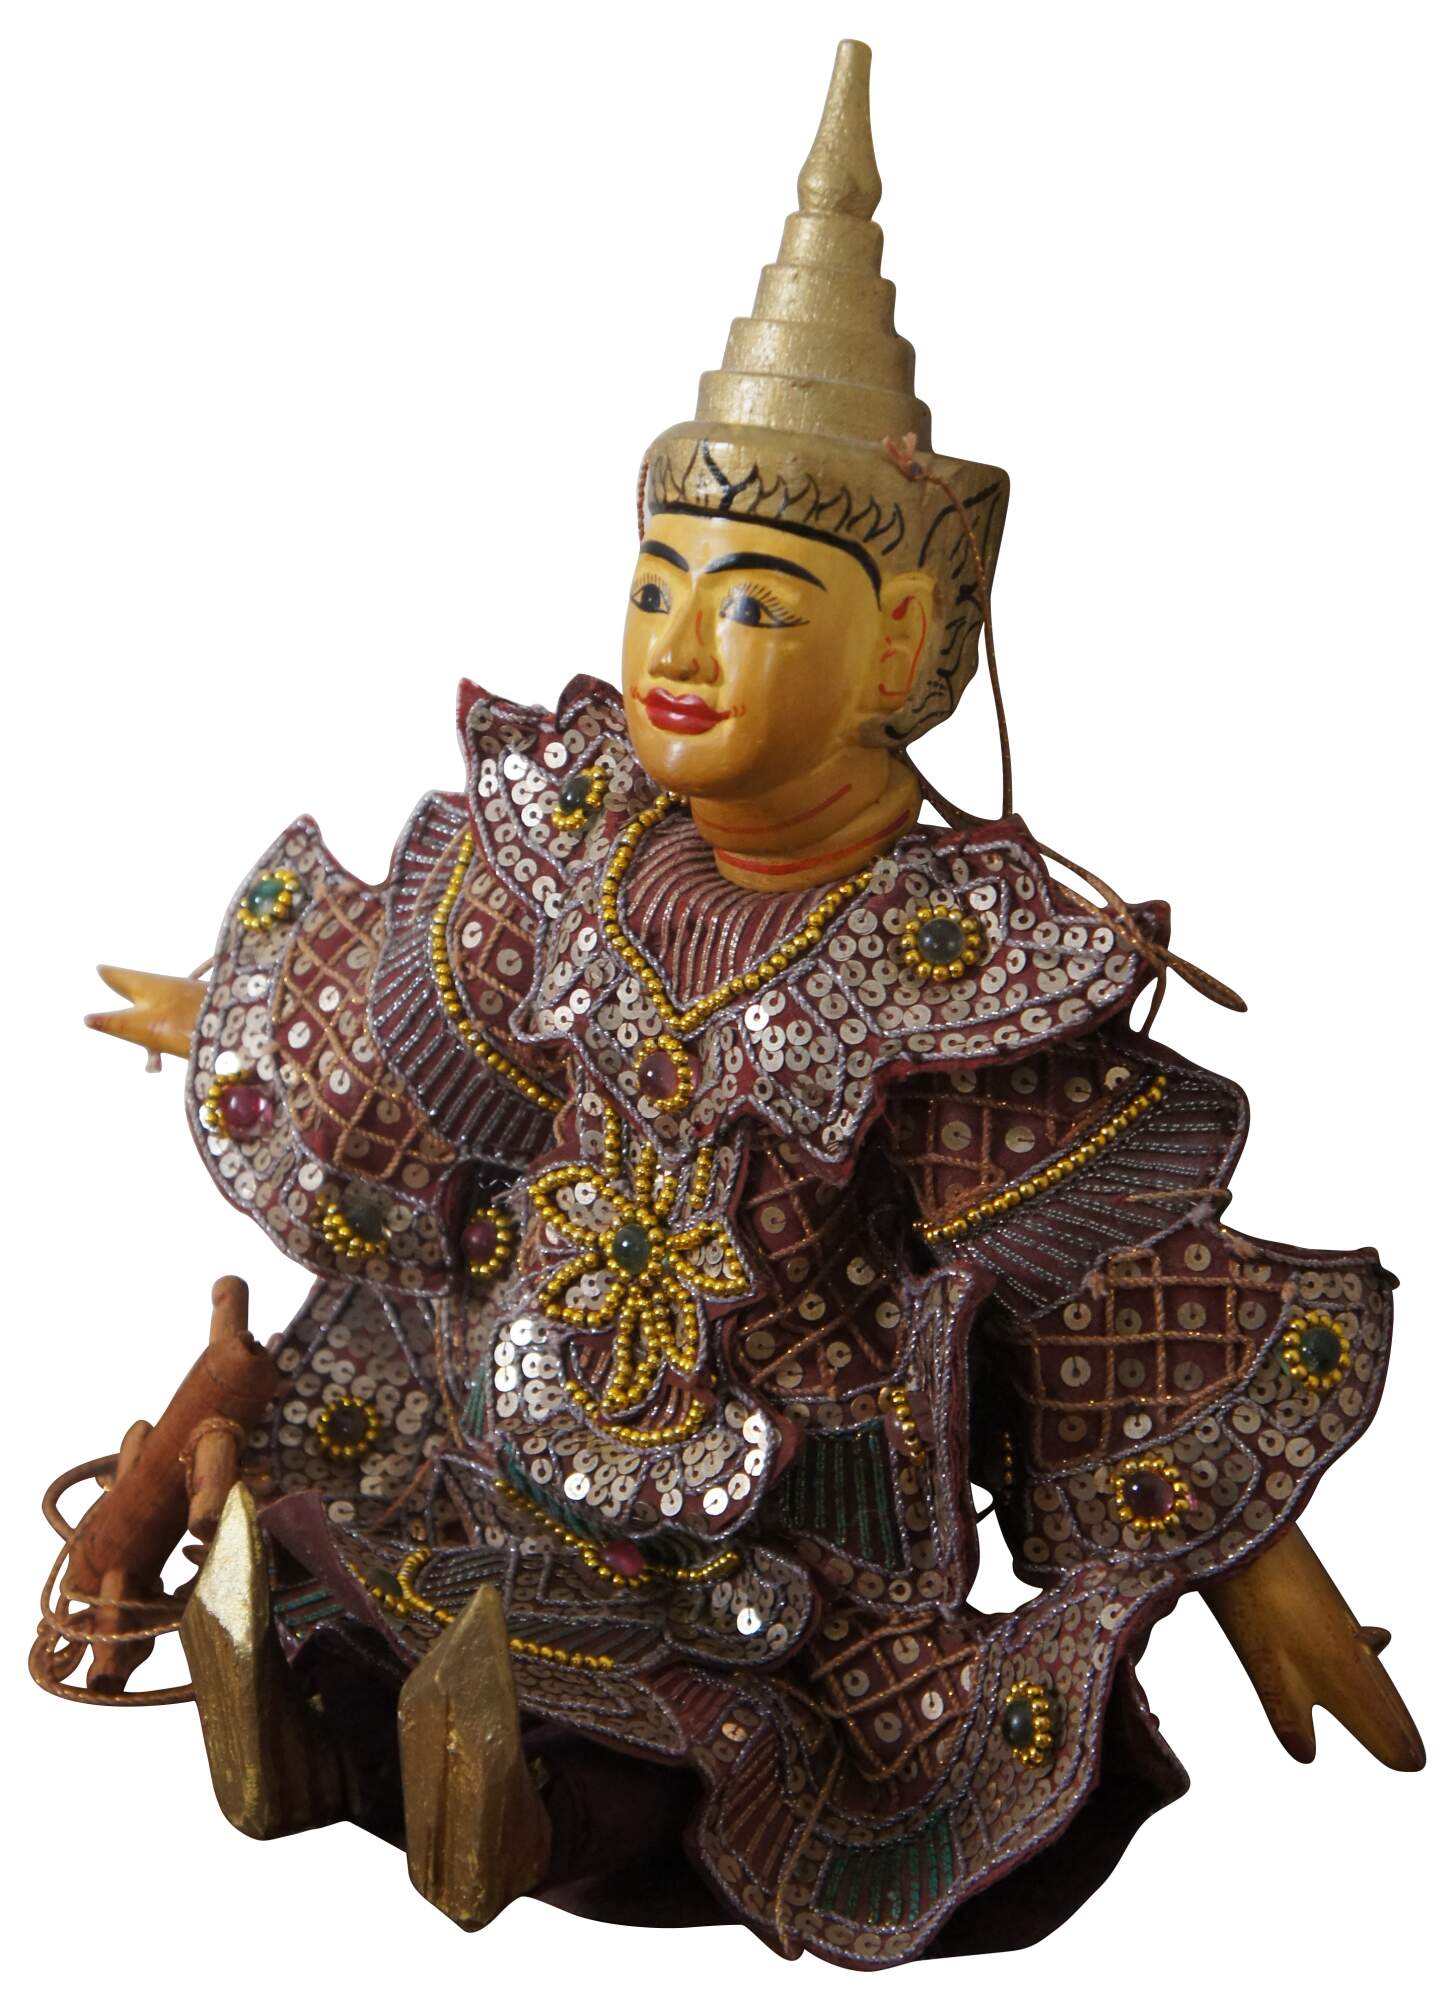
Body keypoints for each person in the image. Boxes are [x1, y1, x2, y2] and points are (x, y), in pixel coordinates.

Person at [53, 39, 1420, 1972]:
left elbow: (1098, 1294)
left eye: (757, 603)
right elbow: (420, 1041)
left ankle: (502, 1804)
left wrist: (1257, 1565)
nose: (679, 647)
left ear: (908, 643)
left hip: (794, 1511)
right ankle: (331, 1735)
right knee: (354, 1535)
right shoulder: (580, 847)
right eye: (657, 587)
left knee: (799, 1750)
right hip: (499, 1408)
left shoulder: (949, 962)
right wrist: (241, 1008)